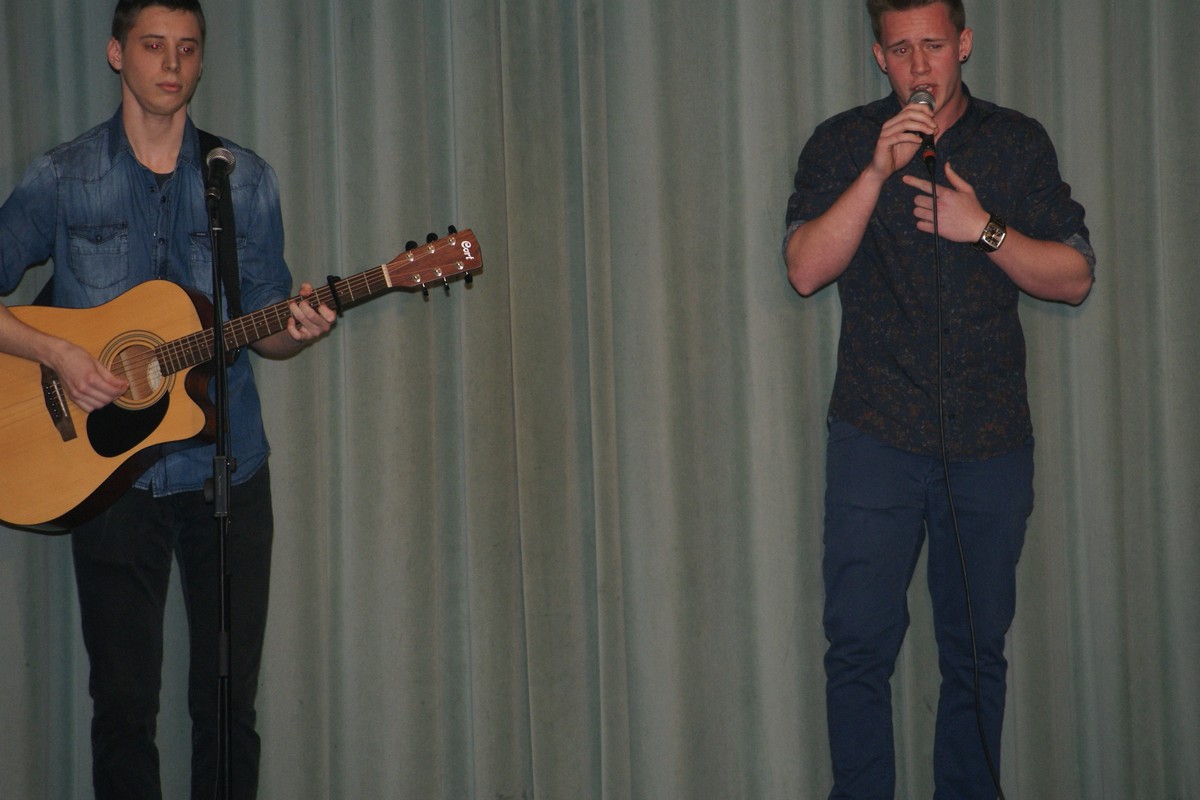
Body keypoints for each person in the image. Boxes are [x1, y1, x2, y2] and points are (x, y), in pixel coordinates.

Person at [0, 1, 336, 797]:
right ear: (117, 54)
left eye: (187, 47)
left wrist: (300, 328)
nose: (172, 63)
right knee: (123, 710)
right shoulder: (62, 177)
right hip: (108, 479)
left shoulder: (243, 180)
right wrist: (57, 352)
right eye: (153, 45)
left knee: (228, 706)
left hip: (228, 471)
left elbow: (265, 329)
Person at [782, 0, 1094, 796]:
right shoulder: (842, 142)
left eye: (933, 45)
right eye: (901, 50)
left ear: (964, 44)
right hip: (876, 431)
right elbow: (805, 269)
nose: (920, 66)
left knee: (976, 654)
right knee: (858, 648)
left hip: (989, 440)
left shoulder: (1015, 142)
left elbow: (1075, 276)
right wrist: (875, 174)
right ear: (879, 58)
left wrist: (982, 228)